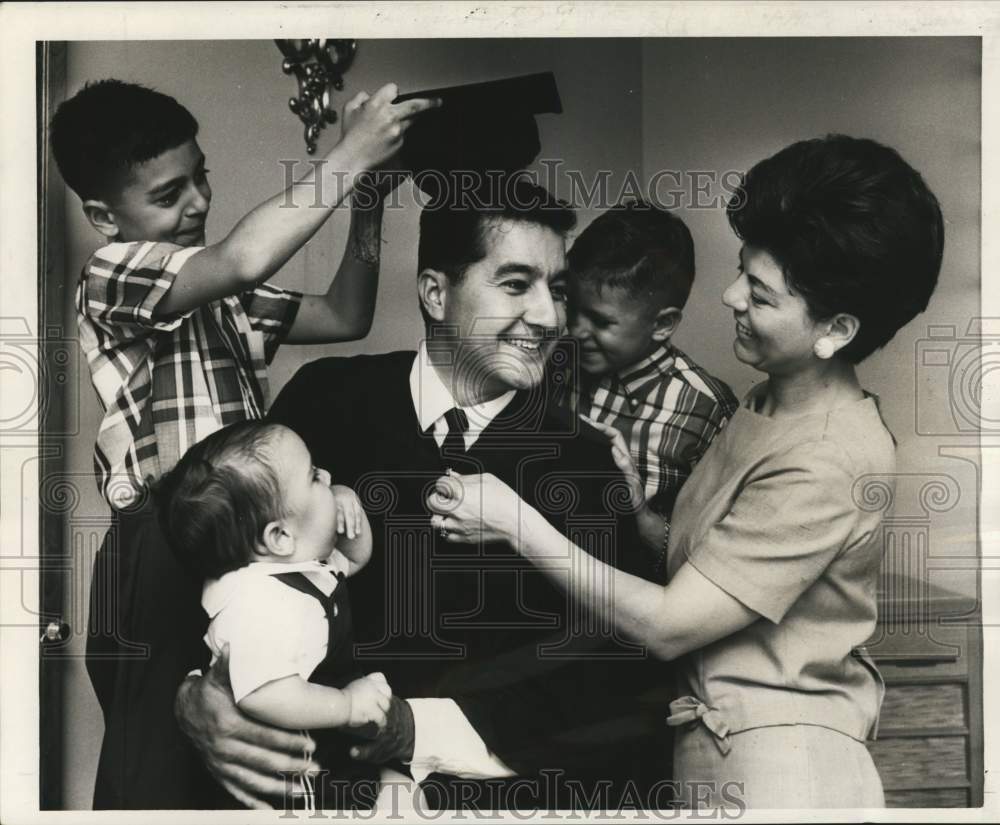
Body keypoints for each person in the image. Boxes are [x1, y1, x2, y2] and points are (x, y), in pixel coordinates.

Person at [429, 135, 944, 808]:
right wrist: (645, 516)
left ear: (837, 328)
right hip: (710, 746)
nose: (729, 296)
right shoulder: (769, 399)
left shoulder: (832, 453)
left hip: (783, 771)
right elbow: (721, 572)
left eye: (759, 294)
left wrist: (515, 521)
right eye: (742, 272)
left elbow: (671, 622)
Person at [175, 177, 670, 811]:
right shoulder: (321, 404)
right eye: (517, 285)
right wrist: (194, 690)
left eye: (558, 290)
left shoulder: (586, 465)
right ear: (436, 292)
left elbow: (611, 679)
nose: (549, 317)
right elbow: (207, 556)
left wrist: (420, 729)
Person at [50, 78, 438, 807]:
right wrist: (352, 153)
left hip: (243, 538)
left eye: (201, 177)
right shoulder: (110, 275)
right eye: (169, 194)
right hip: (164, 538)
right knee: (156, 772)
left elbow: (345, 313)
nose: (196, 201)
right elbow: (242, 258)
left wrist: (367, 202)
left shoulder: (220, 297)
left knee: (253, 744)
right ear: (104, 216)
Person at [152, 420, 407, 811]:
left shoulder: (299, 568)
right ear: (280, 537)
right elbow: (264, 694)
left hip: (336, 759)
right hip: (296, 782)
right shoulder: (257, 603)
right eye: (314, 477)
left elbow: (356, 558)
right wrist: (346, 705)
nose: (328, 475)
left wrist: (344, 503)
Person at [559, 201, 739, 573]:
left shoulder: (705, 407)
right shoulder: (553, 367)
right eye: (571, 308)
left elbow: (719, 552)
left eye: (599, 320)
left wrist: (642, 516)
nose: (575, 330)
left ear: (662, 324)